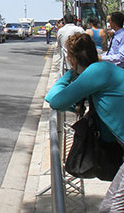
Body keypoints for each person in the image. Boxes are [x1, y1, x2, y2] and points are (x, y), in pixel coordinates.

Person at [44, 33, 124, 211]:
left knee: (112, 209)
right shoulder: (104, 70)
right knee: (110, 207)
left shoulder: (96, 73)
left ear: (71, 58)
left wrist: (70, 74)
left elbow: (54, 100)